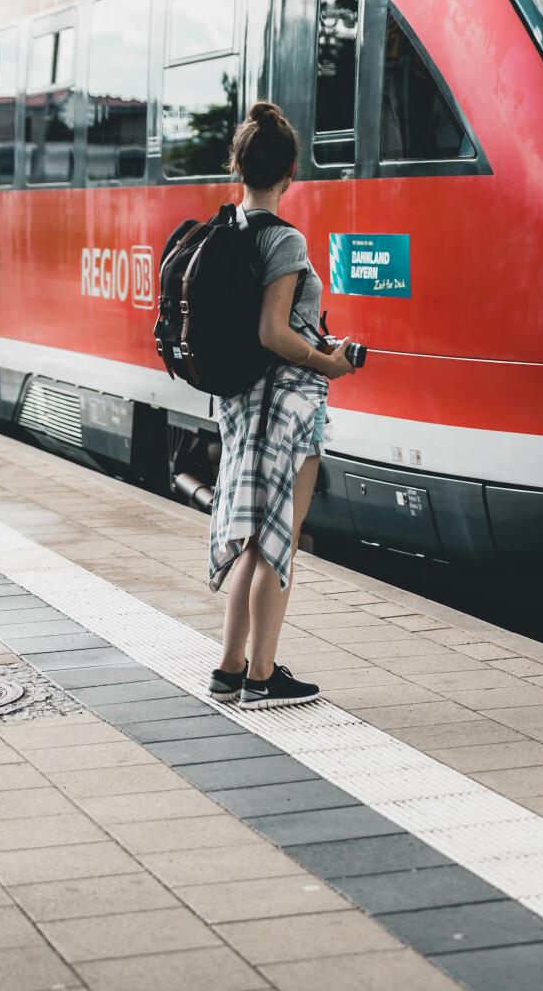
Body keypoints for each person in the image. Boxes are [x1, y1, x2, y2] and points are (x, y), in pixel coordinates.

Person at [206, 102, 357, 708]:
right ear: (291, 170)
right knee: (278, 540)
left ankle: (229, 667)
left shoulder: (227, 229)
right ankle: (262, 677)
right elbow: (274, 332)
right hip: (287, 410)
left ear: (239, 166)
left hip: (243, 407)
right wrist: (330, 361)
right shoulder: (283, 239)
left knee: (252, 536)